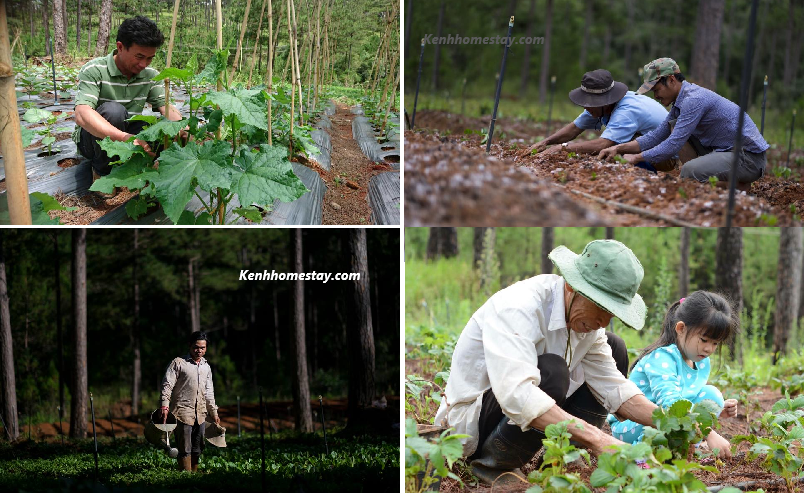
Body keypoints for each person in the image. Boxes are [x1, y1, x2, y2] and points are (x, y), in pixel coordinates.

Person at [433, 239, 663, 486]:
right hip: (474, 424)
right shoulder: (519, 306)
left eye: (612, 313)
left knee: (615, 346)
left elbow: (613, 385)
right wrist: (598, 439)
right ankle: (495, 465)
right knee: (553, 372)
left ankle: (568, 455)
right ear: (573, 287)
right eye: (601, 307)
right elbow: (517, 395)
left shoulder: (587, 325)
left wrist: (675, 423)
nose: (603, 321)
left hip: (521, 413)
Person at [599, 58, 769, 189]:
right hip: (726, 150)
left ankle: (737, 187)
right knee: (674, 128)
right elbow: (657, 136)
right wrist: (618, 148)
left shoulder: (693, 100)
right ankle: (713, 180)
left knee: (689, 172)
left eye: (656, 90)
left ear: (672, 80)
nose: (655, 96)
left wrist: (636, 158)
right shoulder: (680, 102)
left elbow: (673, 145)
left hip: (748, 159)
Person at [607, 291, 738, 451]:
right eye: (704, 340)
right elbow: (670, 404)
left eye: (715, 343)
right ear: (681, 328)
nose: (709, 348)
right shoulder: (662, 358)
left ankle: (682, 446)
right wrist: (708, 433)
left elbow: (686, 397)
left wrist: (719, 408)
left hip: (666, 416)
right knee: (663, 418)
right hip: (634, 423)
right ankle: (641, 453)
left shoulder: (700, 360)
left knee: (712, 396)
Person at [72, 16, 185, 196]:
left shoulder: (150, 75)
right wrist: (125, 138)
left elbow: (166, 108)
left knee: (158, 127)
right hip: (93, 141)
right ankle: (102, 172)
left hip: (128, 134)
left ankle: (145, 168)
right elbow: (82, 113)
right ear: (120, 47)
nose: (143, 64)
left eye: (149, 58)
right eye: (139, 56)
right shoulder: (94, 70)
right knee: (114, 111)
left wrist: (183, 127)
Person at [517, 69, 671, 168]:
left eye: (591, 103)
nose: (586, 107)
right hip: (646, 147)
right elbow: (575, 128)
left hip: (667, 156)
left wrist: (562, 148)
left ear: (606, 101)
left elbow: (604, 144)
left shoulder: (627, 110)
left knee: (612, 153)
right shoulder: (600, 108)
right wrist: (546, 142)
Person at [160, 331, 220, 472]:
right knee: (185, 448)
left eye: (202, 348)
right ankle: (185, 477)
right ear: (189, 346)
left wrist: (214, 412)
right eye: (196, 347)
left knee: (198, 447)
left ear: (206, 348)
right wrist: (164, 406)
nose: (199, 350)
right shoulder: (179, 363)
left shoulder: (206, 367)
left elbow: (209, 392)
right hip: (182, 413)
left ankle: (194, 474)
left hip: (200, 415)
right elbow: (167, 385)